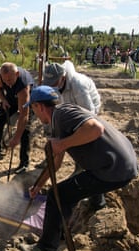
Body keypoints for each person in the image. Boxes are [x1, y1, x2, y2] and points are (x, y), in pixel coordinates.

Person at [21, 85, 138, 251]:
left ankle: (45, 249)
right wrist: (38, 185)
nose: (34, 114)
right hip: (120, 165)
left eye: (33, 108)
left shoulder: (62, 114)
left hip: (113, 169)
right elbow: (56, 163)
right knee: (71, 189)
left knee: (58, 195)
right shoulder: (60, 118)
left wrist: (62, 144)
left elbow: (95, 129)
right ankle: (92, 209)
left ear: (39, 106)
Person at [43, 60, 105, 209]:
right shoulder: (55, 86)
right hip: (71, 113)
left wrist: (74, 137)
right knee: (75, 148)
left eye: (54, 82)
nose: (52, 85)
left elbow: (89, 114)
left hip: (88, 114)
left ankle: (97, 201)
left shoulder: (78, 85)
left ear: (63, 77)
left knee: (86, 152)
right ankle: (80, 170)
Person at [0, 62, 34, 174]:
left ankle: (24, 163)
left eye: (10, 80)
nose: (8, 83)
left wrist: (16, 138)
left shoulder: (23, 86)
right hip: (11, 99)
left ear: (16, 74)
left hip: (27, 101)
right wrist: (3, 100)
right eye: (5, 81)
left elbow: (23, 116)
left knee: (25, 131)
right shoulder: (3, 78)